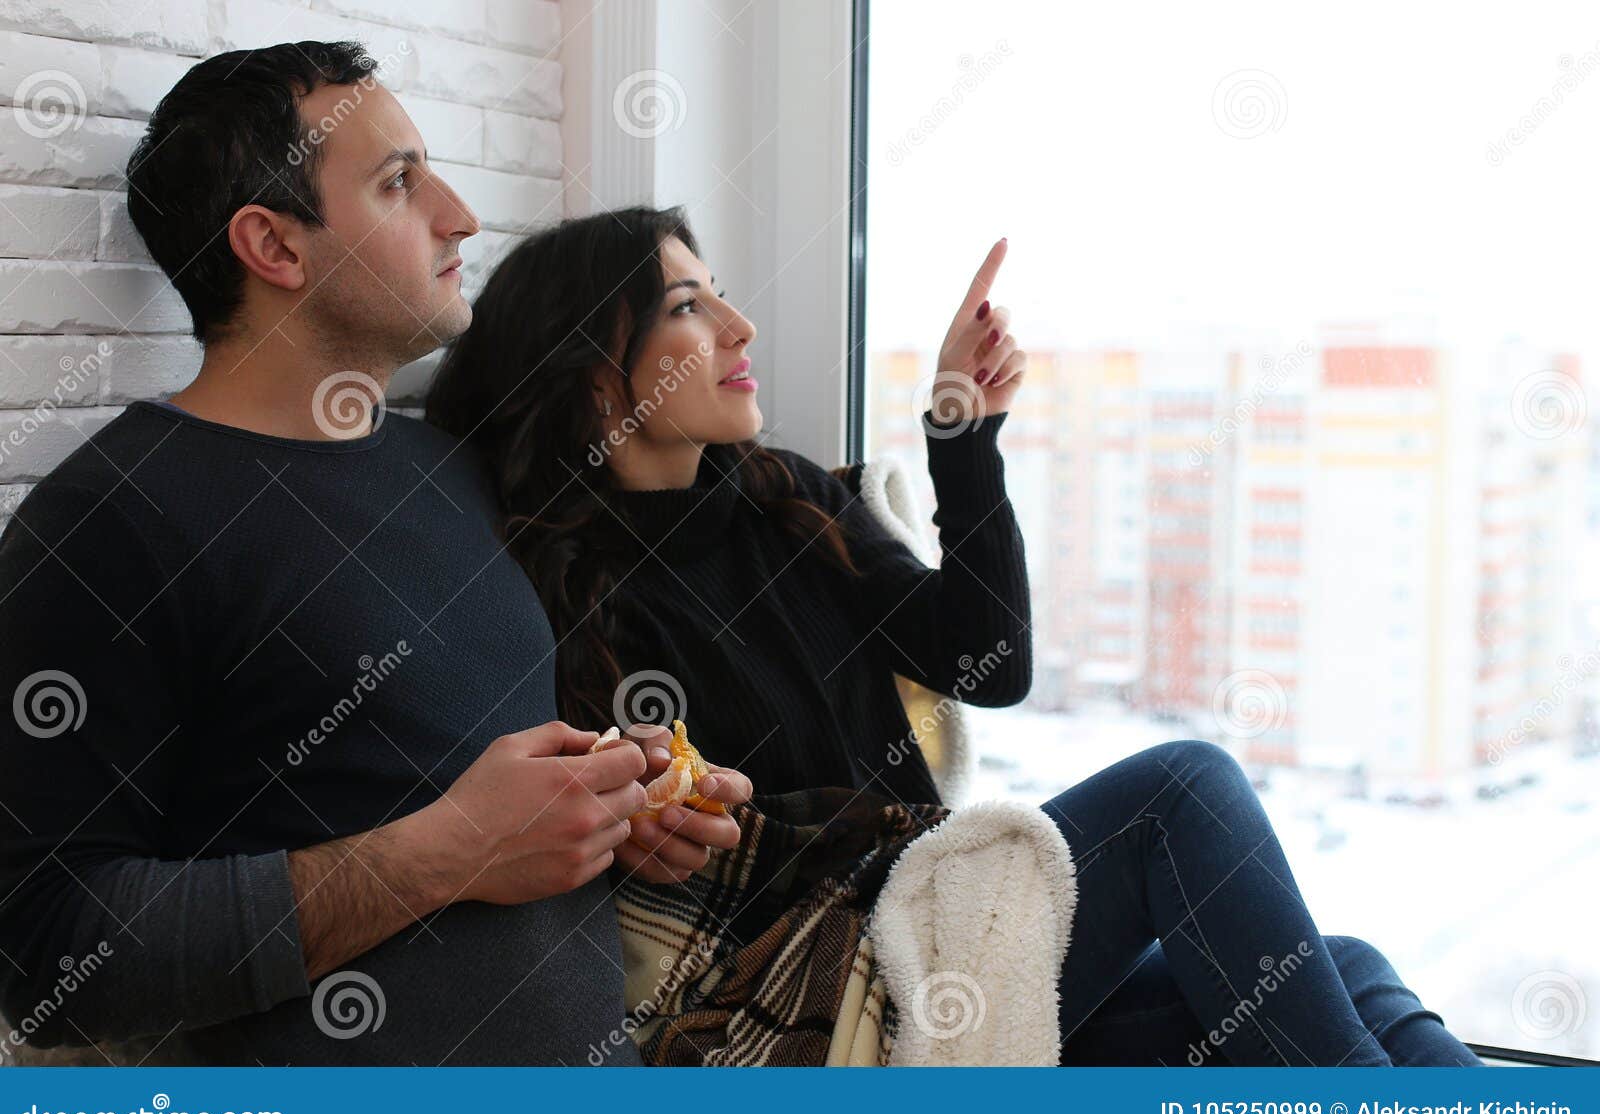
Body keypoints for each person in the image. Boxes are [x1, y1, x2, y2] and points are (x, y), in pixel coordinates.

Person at [424, 207, 1484, 1065]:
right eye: (691, 307)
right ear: (602, 380)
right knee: (1183, 790)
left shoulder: (780, 498)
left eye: (724, 296)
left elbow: (989, 660)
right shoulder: (557, 596)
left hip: (943, 917)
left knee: (1342, 962)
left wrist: (961, 436)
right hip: (836, 984)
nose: (740, 329)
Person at [0, 41, 751, 1067]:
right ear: (273, 245)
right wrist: (446, 853)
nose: (460, 214)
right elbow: (43, 950)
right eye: (400, 181)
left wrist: (622, 808)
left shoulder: (446, 466)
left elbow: (449, 776)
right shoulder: (114, 519)